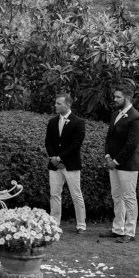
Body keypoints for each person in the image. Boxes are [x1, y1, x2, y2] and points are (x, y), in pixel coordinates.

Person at [99, 85, 139, 244]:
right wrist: (107, 156)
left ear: (128, 98)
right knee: (117, 196)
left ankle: (130, 232)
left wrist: (115, 161)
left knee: (129, 198)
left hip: (128, 165)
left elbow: (131, 145)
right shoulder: (115, 115)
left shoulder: (135, 117)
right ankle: (118, 229)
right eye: (115, 96)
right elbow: (109, 139)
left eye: (118, 97)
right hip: (113, 163)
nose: (115, 99)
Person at [45, 93, 87, 233]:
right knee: (54, 194)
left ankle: (81, 225)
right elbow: (48, 142)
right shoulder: (52, 122)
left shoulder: (78, 122)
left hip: (71, 164)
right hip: (54, 165)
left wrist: (60, 158)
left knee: (76, 195)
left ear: (67, 105)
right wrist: (53, 158)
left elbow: (76, 145)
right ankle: (54, 223)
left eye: (58, 103)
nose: (55, 105)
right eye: (55, 103)